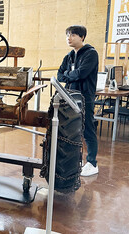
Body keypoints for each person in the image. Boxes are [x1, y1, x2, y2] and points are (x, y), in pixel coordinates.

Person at [57, 25, 99, 177]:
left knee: (87, 129)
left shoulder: (91, 54)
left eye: (73, 35)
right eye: (67, 34)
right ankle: (76, 160)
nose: (69, 37)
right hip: (70, 96)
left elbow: (81, 73)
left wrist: (69, 74)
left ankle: (93, 163)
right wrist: (70, 74)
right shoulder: (69, 56)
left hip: (85, 97)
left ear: (82, 37)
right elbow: (60, 75)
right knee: (70, 130)